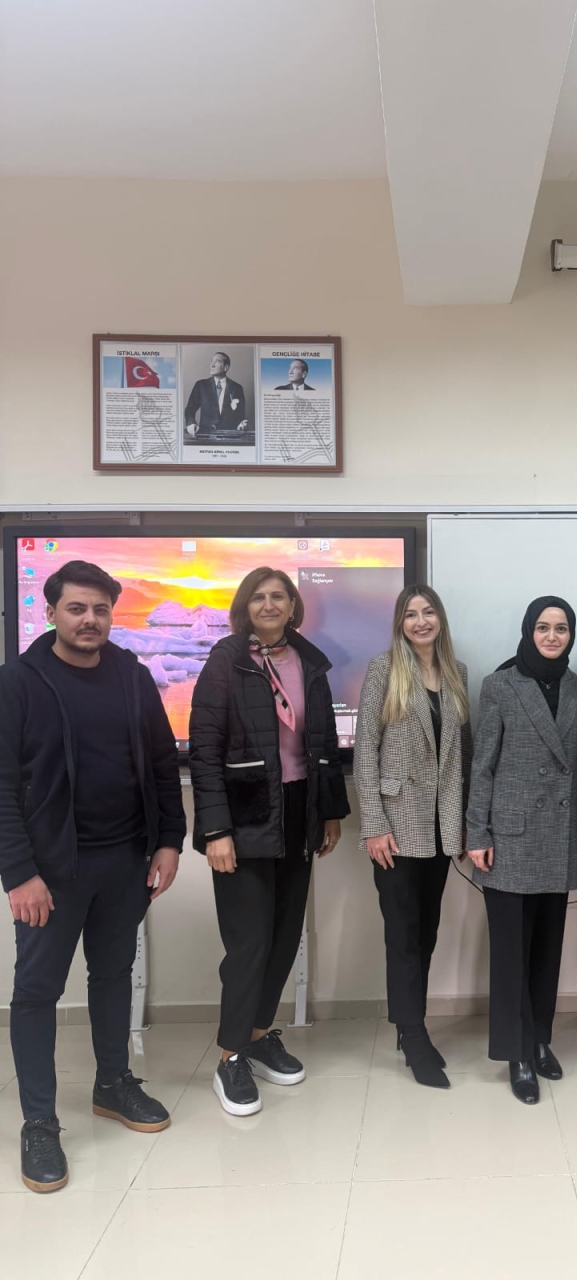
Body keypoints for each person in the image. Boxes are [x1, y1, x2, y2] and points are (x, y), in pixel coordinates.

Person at [0, 560, 185, 1193]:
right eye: (77, 608)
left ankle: (112, 1084)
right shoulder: (18, 682)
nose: (90, 619)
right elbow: (2, 785)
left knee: (113, 975)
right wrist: (19, 873)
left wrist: (168, 841)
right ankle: (39, 1122)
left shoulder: (133, 676)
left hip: (125, 860)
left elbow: (161, 763)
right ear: (51, 611)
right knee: (37, 992)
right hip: (51, 873)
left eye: (101, 609)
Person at [189, 567, 349, 1117]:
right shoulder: (225, 661)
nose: (269, 604)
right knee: (249, 942)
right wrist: (216, 830)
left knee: (283, 937)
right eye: (258, 597)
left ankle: (257, 1037)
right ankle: (230, 1056)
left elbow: (323, 743)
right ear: (245, 607)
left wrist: (331, 812)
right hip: (244, 817)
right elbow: (204, 750)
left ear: (292, 605)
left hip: (300, 814)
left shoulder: (309, 661)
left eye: (278, 596)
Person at [354, 584, 471, 1089]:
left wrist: (463, 826)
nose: (420, 621)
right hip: (396, 826)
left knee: (427, 931)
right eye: (410, 614)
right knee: (402, 934)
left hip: (441, 828)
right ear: (400, 623)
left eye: (428, 612)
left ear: (440, 618)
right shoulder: (384, 669)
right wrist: (374, 825)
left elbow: (460, 756)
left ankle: (410, 1024)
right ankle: (413, 1034)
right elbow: (365, 750)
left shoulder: (456, 673)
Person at [466, 597, 577, 1105]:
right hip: (510, 836)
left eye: (561, 628)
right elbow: (483, 765)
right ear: (528, 631)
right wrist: (477, 832)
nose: (552, 636)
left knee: (547, 949)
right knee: (511, 953)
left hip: (557, 834)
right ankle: (516, 1053)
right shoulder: (500, 685)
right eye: (543, 627)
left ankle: (538, 1041)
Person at [183, 351, 248, 440]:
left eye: (217, 361)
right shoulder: (201, 385)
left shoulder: (237, 388)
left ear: (226, 367)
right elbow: (190, 409)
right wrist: (191, 423)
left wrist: (241, 425)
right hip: (205, 438)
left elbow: (240, 416)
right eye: (211, 361)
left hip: (229, 438)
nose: (212, 365)